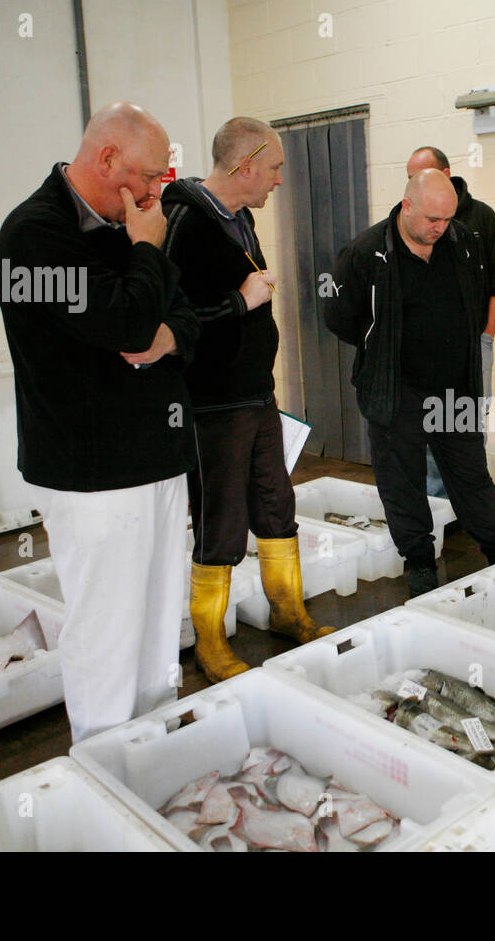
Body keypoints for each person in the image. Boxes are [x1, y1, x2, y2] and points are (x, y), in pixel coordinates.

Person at [0, 101, 200, 743]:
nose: (154, 194)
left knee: (161, 623)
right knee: (109, 631)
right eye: (147, 177)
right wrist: (145, 257)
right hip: (93, 474)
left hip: (157, 460)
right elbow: (125, 323)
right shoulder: (36, 235)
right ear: (107, 158)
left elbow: (184, 314)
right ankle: (106, 764)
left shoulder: (125, 224)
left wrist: (166, 338)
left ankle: (154, 751)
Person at [161, 117, 335, 682]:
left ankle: (288, 613)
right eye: (275, 167)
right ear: (244, 164)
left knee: (275, 505)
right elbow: (175, 324)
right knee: (221, 521)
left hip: (256, 395)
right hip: (213, 406)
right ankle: (210, 643)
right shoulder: (187, 225)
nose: (279, 180)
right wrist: (239, 302)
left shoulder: (238, 219)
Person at [325, 169, 495, 596]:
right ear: (407, 205)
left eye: (447, 219)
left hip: (455, 386)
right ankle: (418, 561)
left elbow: (482, 296)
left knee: (470, 475)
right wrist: (384, 349)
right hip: (396, 390)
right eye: (433, 218)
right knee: (402, 480)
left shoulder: (463, 243)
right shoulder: (366, 251)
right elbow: (339, 318)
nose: (440, 227)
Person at [405, 146, 495, 499]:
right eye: (410, 179)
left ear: (447, 175)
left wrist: (484, 338)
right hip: (423, 351)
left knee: (466, 426)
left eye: (422, 176)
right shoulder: (408, 221)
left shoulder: (481, 219)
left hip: (471, 348)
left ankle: (467, 506)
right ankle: (436, 510)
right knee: (427, 427)